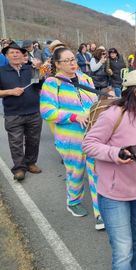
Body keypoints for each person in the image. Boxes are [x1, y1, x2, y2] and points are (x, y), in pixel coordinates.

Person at [82, 69, 136, 269]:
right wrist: (116, 153)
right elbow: (89, 144)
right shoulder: (114, 115)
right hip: (113, 194)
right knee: (123, 250)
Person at [39, 47, 104, 229]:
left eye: (73, 59)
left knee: (96, 171)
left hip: (92, 136)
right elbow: (47, 111)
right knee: (76, 171)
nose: (72, 63)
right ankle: (73, 201)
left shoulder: (86, 79)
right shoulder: (52, 84)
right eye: (67, 60)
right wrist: (74, 116)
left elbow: (94, 103)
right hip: (70, 138)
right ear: (57, 64)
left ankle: (101, 214)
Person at [0, 42, 43, 181]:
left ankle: (31, 163)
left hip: (34, 112)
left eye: (17, 52)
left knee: (33, 140)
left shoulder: (29, 68)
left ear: (22, 54)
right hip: (13, 114)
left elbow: (38, 84)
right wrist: (10, 91)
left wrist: (38, 69)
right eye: (11, 52)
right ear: (6, 56)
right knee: (16, 142)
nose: (15, 54)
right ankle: (19, 168)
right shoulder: (1, 71)